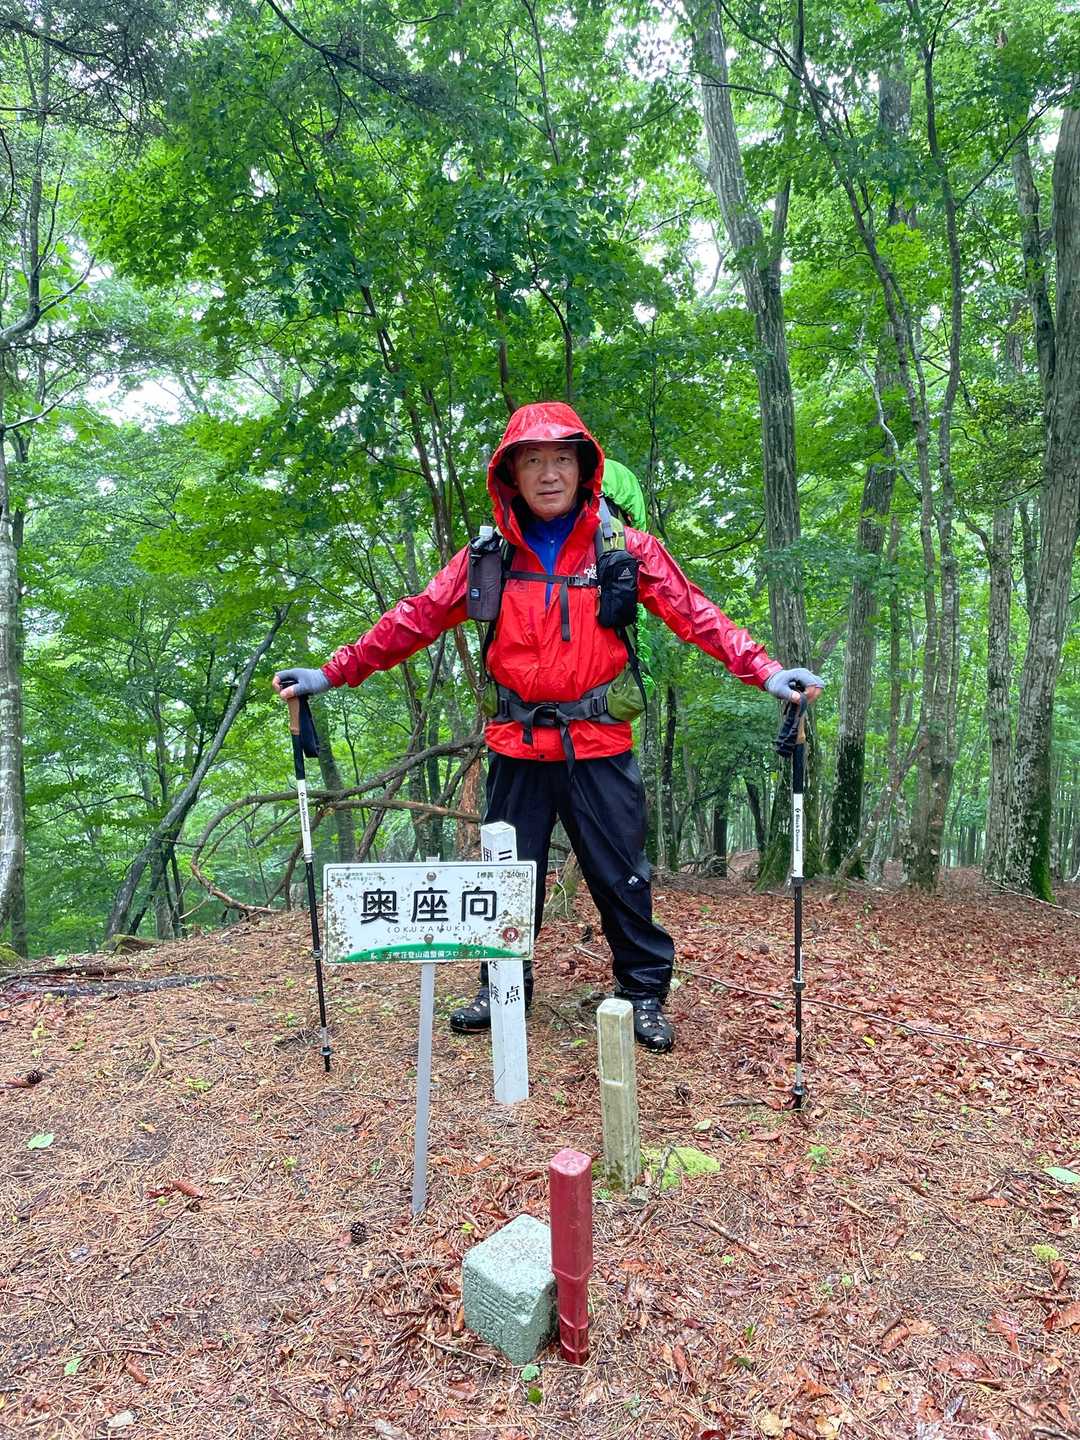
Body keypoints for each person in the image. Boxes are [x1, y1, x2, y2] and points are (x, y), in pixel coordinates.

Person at [274, 403, 822, 1053]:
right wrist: (332, 673)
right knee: (507, 878)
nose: (549, 473)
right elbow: (414, 618)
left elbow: (695, 613)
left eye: (562, 458)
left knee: (622, 878)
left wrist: (766, 672)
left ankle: (643, 993)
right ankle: (501, 985)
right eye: (532, 460)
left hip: (600, 744)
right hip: (516, 745)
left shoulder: (624, 550)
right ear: (511, 475)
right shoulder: (488, 558)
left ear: (584, 468)